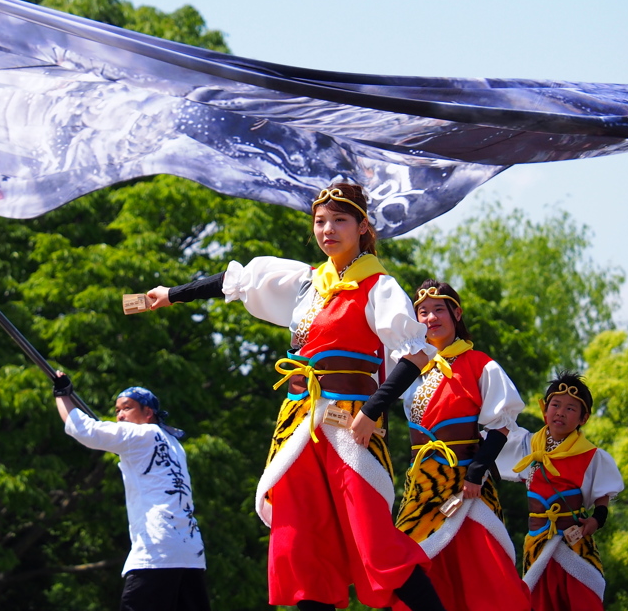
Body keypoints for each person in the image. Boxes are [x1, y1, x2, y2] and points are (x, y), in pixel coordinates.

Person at [145, 183, 445, 611]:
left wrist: (373, 411)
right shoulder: (306, 283)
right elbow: (239, 283)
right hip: (299, 425)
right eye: (320, 221)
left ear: (362, 226)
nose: (328, 230)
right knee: (302, 543)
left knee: (374, 540)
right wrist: (173, 294)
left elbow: (416, 352)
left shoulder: (379, 287)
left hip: (352, 424)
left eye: (340, 220)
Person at [361, 280, 530, 611]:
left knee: (483, 572)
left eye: (438, 309)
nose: (430, 318)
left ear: (456, 313)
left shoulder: (479, 363)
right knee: (413, 570)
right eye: (422, 312)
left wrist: (477, 473)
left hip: (464, 484)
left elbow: (501, 424)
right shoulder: (411, 369)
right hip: (421, 488)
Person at [53, 373, 210, 611]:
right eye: (117, 410)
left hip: (157, 551)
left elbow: (84, 430)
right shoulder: (174, 443)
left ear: (148, 413)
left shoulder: (142, 434)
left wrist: (62, 395)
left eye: (127, 408)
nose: (120, 415)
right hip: (190, 553)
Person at [498, 372, 624, 611]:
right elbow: (489, 446)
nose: (560, 412)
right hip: (536, 544)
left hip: (573, 544)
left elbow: (602, 496)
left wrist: (597, 520)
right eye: (555, 405)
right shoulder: (527, 444)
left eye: (570, 409)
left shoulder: (590, 455)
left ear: (583, 418)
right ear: (545, 410)